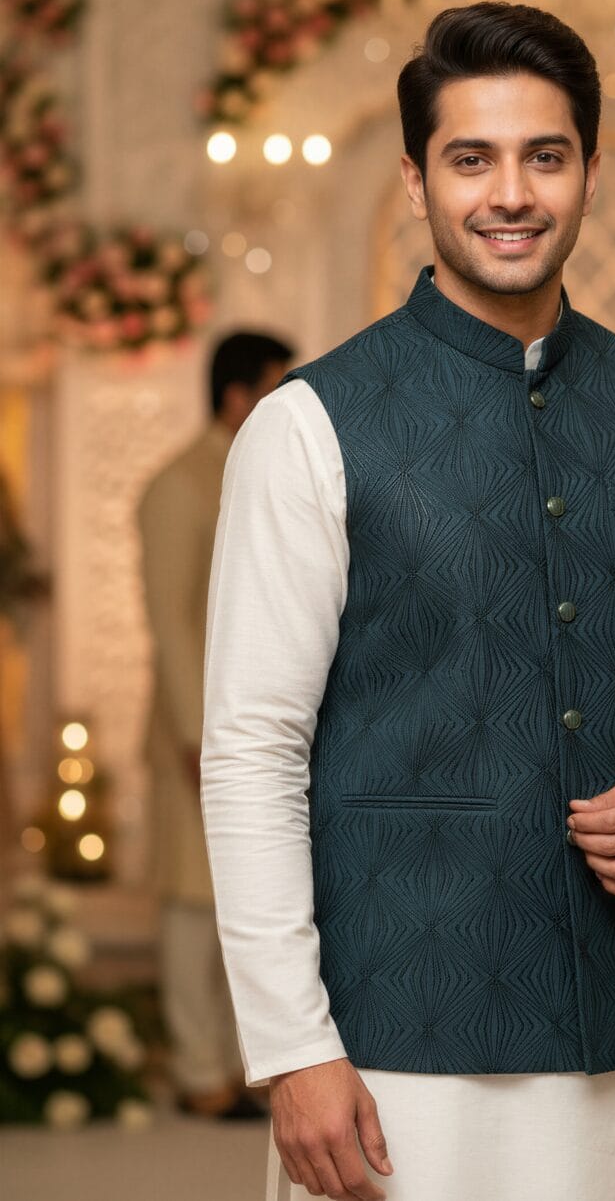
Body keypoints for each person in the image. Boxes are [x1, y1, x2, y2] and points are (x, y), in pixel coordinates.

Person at [201, 3, 615, 1201]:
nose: (509, 193)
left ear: (587, 171)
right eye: (471, 158)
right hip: (398, 1034)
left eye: (545, 155)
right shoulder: (308, 425)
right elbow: (252, 748)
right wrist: (293, 1046)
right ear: (416, 180)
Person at [138, 329, 294, 1118]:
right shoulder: (178, 484)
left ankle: (244, 1067)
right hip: (197, 737)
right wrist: (205, 738)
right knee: (195, 904)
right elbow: (170, 623)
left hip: (264, 733)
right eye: (277, 383)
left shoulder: (260, 467)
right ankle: (198, 1071)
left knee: (254, 894)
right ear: (238, 396)